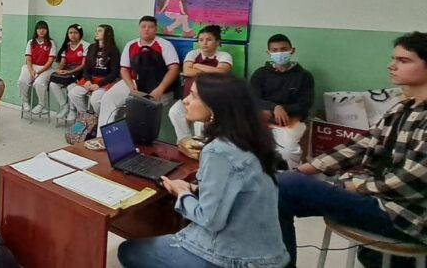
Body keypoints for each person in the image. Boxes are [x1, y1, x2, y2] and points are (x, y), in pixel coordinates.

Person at [277, 32, 427, 268]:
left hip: (406, 216)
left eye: (403, 60)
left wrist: (350, 186)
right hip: (378, 197)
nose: (391, 65)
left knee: (285, 185)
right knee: (276, 190)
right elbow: (364, 144)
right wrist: (308, 167)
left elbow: (412, 180)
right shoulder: (403, 107)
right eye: (394, 58)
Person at [118, 73, 289, 268]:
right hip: (266, 254)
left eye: (193, 96)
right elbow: (236, 190)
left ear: (214, 106)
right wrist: (195, 189)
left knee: (129, 251)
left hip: (233, 259)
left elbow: (210, 219)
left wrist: (181, 193)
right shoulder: (250, 139)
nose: (186, 101)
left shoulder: (219, 151)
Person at [98, 16, 181, 127]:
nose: (146, 29)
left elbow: (174, 69)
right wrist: (131, 86)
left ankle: (139, 141)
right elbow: (124, 69)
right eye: (143, 26)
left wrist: (160, 89)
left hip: (157, 85)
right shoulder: (131, 45)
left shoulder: (165, 45)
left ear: (155, 29)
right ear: (139, 29)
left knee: (142, 111)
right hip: (133, 82)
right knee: (108, 99)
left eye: (150, 27)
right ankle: (104, 136)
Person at [249, 34, 314, 168]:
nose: (279, 53)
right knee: (247, 146)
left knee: (287, 151)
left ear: (292, 50)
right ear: (268, 52)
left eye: (284, 49)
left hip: (292, 120)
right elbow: (253, 98)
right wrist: (274, 107)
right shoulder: (260, 74)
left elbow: (305, 104)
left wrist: (282, 110)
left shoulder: (304, 76)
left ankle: (289, 180)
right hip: (264, 119)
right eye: (275, 50)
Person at [169, 25, 233, 142]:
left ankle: (200, 146)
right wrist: (210, 71)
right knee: (174, 112)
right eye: (201, 40)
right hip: (189, 96)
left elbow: (221, 73)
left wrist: (197, 65)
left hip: (209, 102)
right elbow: (187, 71)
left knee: (200, 124)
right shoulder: (193, 53)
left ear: (217, 42)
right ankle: (185, 141)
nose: (204, 43)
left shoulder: (224, 56)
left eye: (209, 40)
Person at [67, 24, 120, 128]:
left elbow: (114, 73)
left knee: (95, 100)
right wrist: (88, 80)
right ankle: (86, 117)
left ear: (107, 34)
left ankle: (101, 119)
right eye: (96, 30)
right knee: (73, 93)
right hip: (91, 79)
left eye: (99, 31)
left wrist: (99, 84)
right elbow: (86, 68)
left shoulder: (113, 50)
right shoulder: (92, 47)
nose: (96, 33)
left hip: (105, 80)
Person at [49, 24, 88, 122]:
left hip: (79, 73)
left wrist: (70, 71)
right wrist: (58, 70)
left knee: (71, 87)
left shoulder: (85, 45)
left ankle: (72, 110)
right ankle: (64, 106)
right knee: (53, 84)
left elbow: (83, 65)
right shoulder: (66, 46)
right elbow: (63, 62)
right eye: (70, 33)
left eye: (75, 33)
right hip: (67, 72)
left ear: (80, 34)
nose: (72, 35)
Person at [19, 20, 57, 115]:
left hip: (46, 68)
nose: (41, 31)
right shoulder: (31, 42)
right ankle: (25, 101)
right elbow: (28, 58)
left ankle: (41, 104)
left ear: (47, 30)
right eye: (39, 28)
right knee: (22, 81)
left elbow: (50, 60)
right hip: (31, 66)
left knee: (39, 83)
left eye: (44, 29)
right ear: (36, 30)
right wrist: (31, 70)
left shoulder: (51, 43)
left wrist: (40, 71)